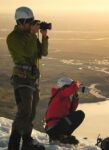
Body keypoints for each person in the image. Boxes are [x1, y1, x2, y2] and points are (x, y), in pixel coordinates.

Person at [7, 6, 49, 150]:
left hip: (32, 79)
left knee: (31, 113)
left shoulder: (30, 36)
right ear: (20, 22)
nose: (31, 24)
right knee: (24, 111)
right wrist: (32, 34)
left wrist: (43, 36)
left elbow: (43, 52)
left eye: (32, 21)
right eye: (29, 21)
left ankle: (27, 143)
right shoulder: (13, 38)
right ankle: (13, 145)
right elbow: (27, 53)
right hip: (21, 79)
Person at [44, 77, 85, 145]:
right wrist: (75, 83)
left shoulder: (64, 97)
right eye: (68, 86)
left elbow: (72, 110)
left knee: (79, 115)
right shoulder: (60, 93)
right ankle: (59, 136)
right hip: (54, 127)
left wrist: (75, 96)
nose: (70, 88)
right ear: (64, 86)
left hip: (56, 126)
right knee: (80, 114)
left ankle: (62, 136)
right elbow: (70, 90)